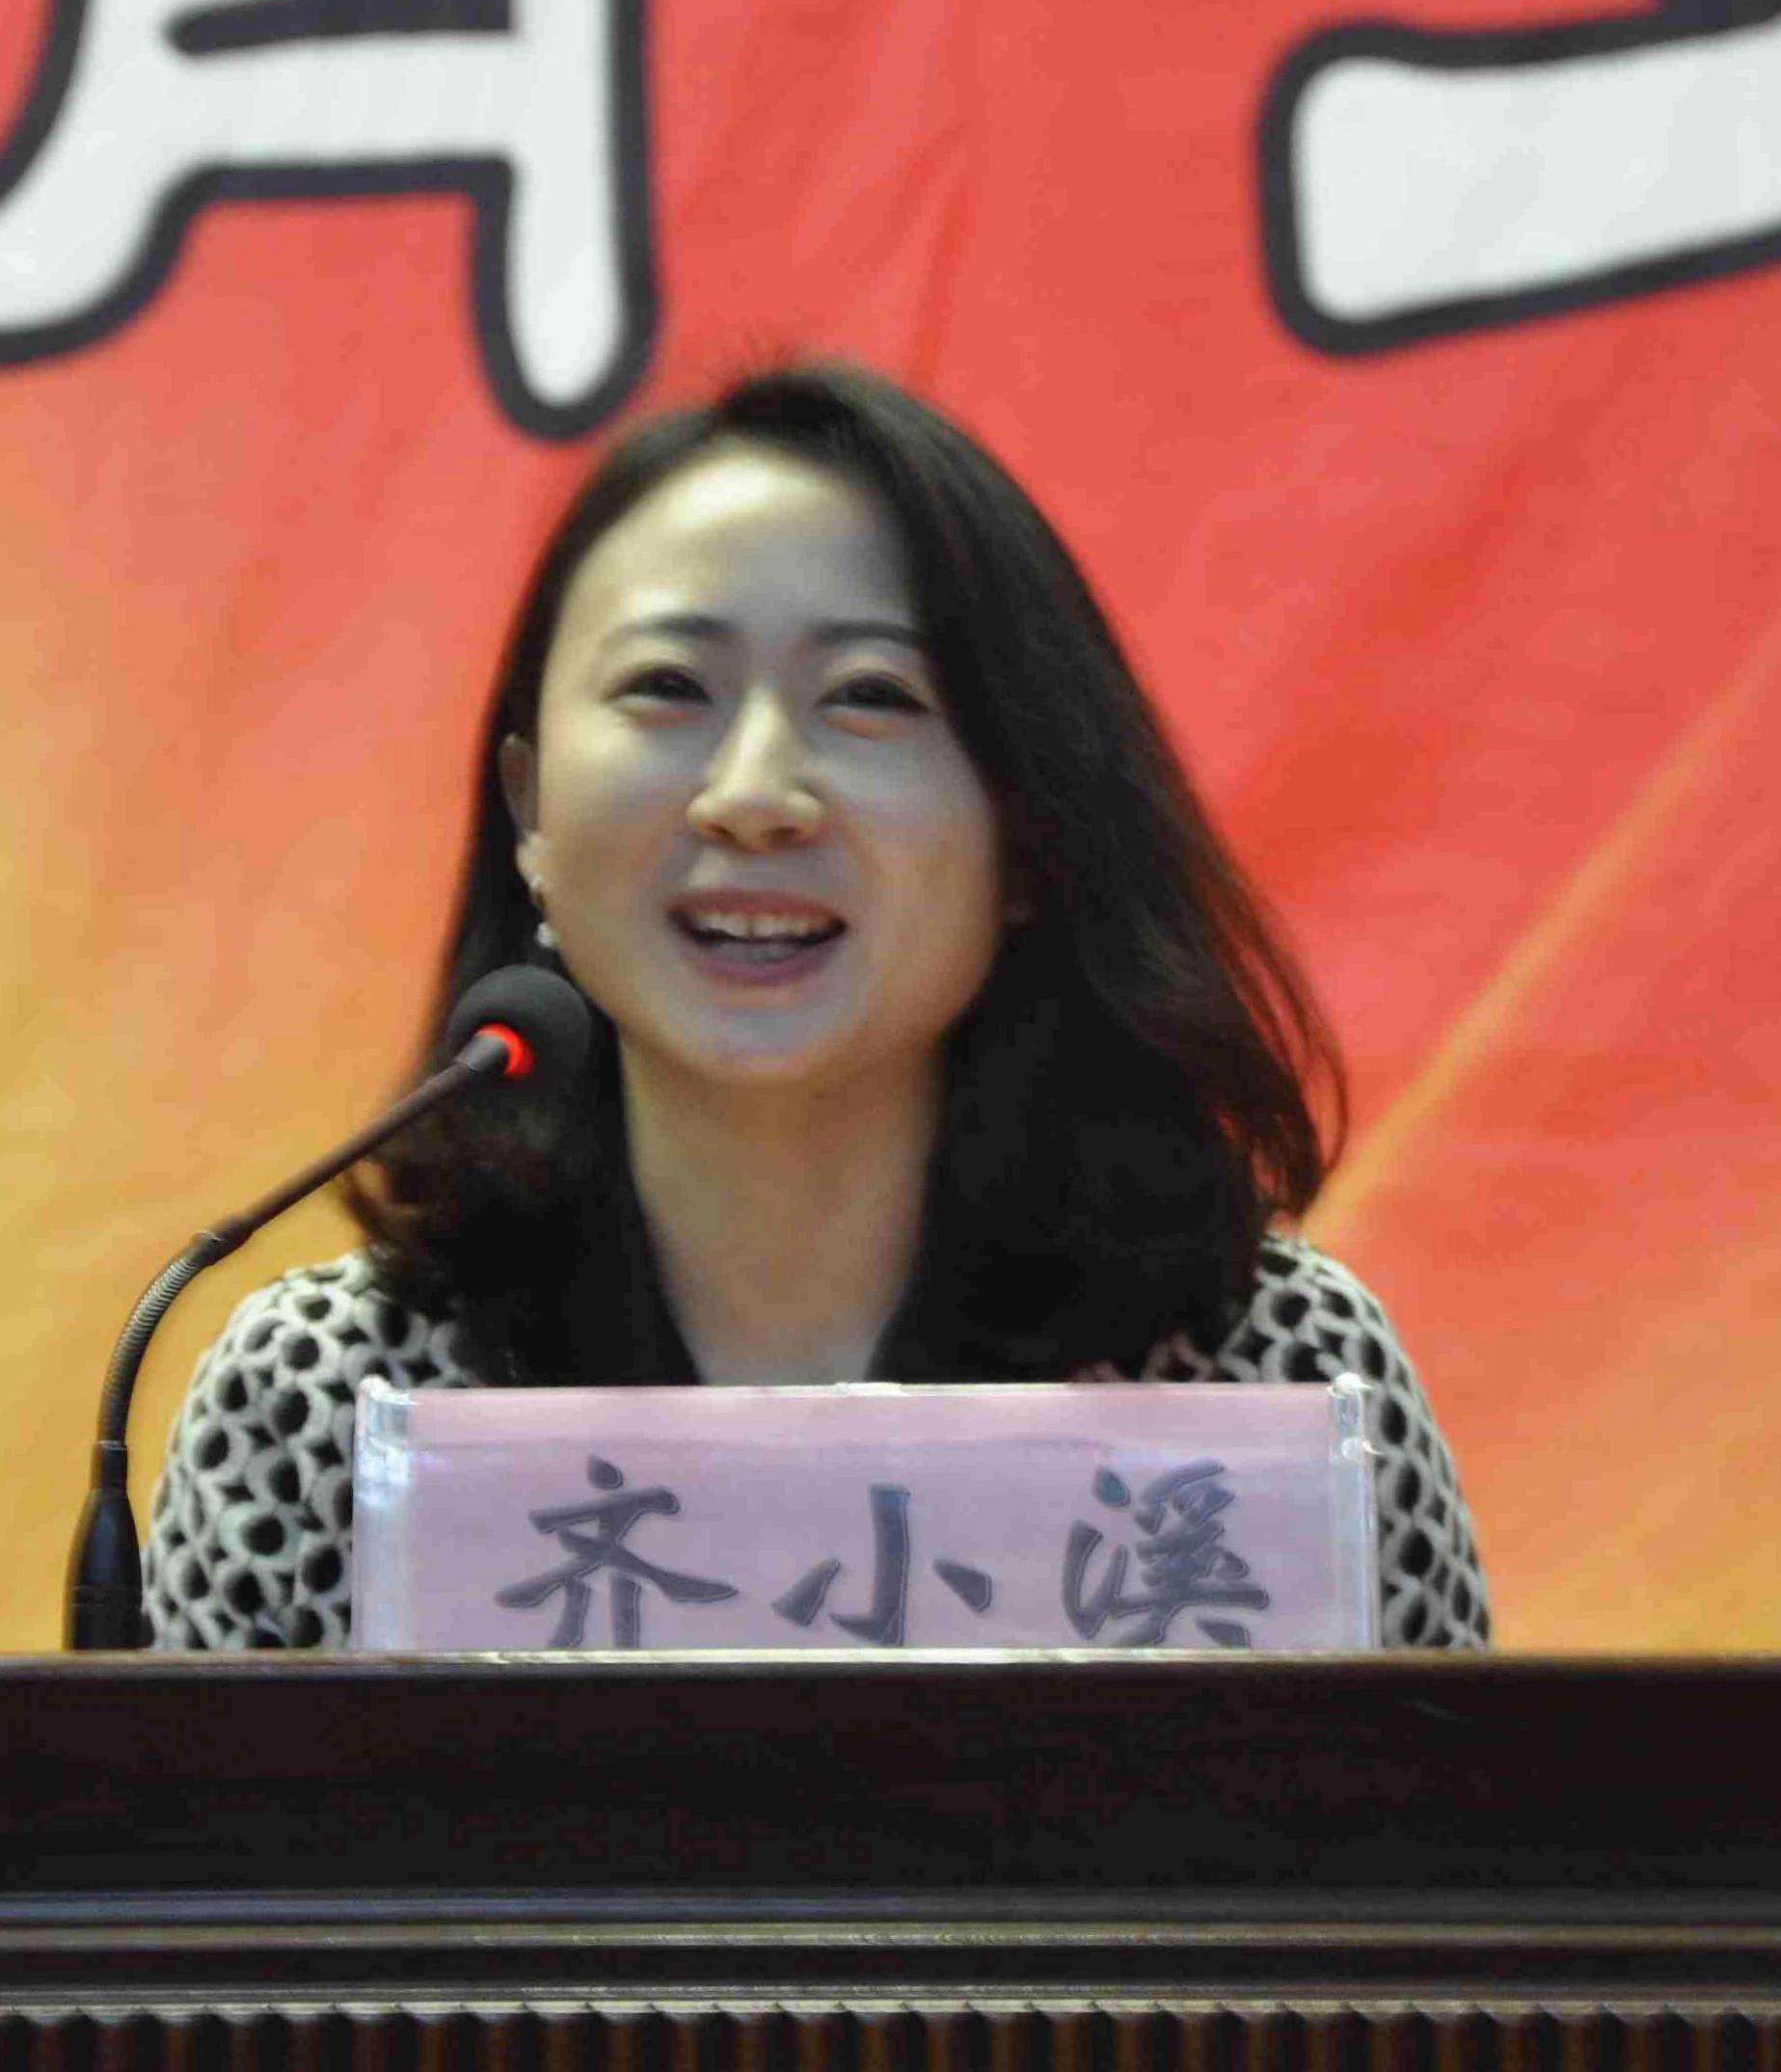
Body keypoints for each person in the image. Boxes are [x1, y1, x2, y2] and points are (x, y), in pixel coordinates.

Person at [146, 363, 1489, 1651]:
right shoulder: (326, 1404)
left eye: (869, 698)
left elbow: (1442, 1824)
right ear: (530, 808)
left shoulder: (1274, 1375)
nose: (754, 795)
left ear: (1031, 834)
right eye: (668, 688)